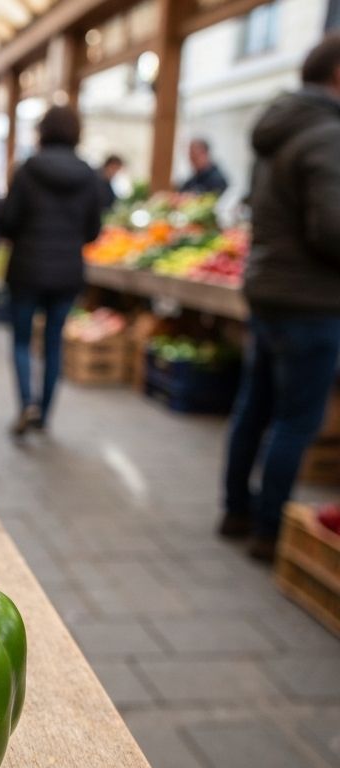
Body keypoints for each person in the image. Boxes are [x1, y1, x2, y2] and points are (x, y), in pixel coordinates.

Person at [220, 33, 340, 562]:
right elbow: (332, 230)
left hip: (268, 289)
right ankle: (269, 530)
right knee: (295, 420)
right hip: (310, 299)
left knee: (255, 407)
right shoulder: (327, 135)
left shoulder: (276, 133)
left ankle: (235, 510)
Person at [0, 105, 103, 435]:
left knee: (21, 340)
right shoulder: (89, 175)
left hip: (27, 268)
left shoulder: (28, 170)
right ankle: (44, 414)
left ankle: (26, 403)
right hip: (67, 271)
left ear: (42, 131)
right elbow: (93, 230)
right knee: (54, 342)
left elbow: (7, 222)